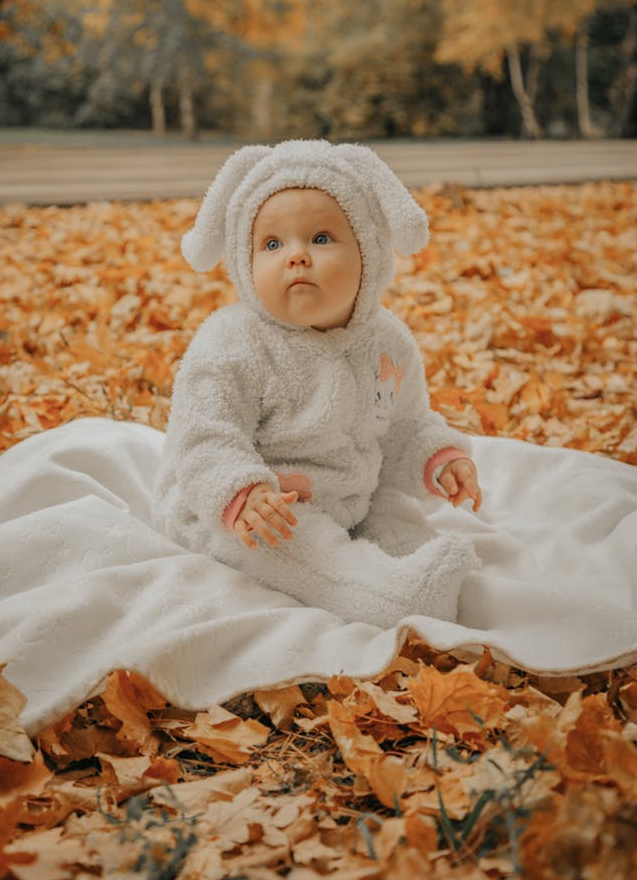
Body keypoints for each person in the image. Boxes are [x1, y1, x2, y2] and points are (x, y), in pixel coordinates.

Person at [154, 140, 482, 627]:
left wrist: (436, 458)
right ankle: (385, 597)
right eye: (272, 244)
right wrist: (241, 492)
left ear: (368, 253)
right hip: (244, 509)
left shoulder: (388, 342)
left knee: (392, 508)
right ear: (246, 264)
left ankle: (422, 565)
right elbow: (203, 438)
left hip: (350, 493)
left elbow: (405, 425)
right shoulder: (232, 343)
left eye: (321, 239)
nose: (297, 257)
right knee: (294, 540)